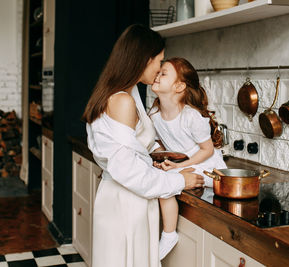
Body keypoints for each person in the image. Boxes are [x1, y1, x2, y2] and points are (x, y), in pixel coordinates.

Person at [82, 25, 205, 267]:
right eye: (159, 61)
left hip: (130, 199)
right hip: (126, 202)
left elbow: (133, 145)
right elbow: (128, 170)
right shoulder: (122, 101)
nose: (160, 68)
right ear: (144, 59)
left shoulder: (127, 94)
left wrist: (157, 153)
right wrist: (182, 181)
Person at [149, 57, 227, 260]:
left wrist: (180, 165)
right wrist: (162, 157)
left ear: (179, 86)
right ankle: (164, 233)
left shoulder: (191, 117)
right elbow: (157, 141)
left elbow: (207, 150)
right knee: (161, 176)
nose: (157, 75)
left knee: (165, 183)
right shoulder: (155, 113)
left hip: (208, 169)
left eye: (163, 73)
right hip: (183, 165)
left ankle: (169, 234)